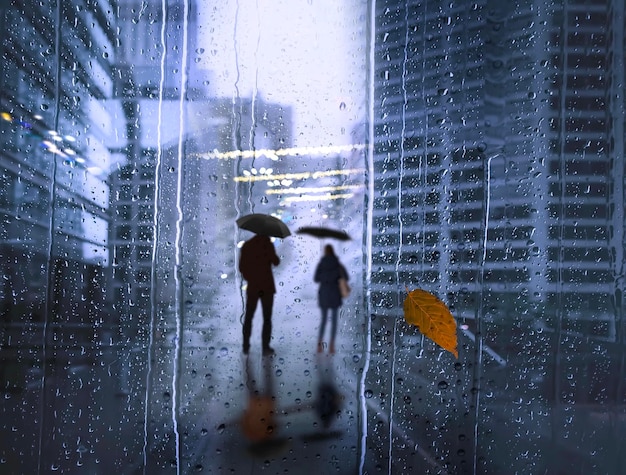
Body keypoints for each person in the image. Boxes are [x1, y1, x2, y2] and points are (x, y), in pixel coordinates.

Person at [239, 234, 280, 356]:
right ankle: (265, 347)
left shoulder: (247, 245)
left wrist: (251, 278)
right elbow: (276, 261)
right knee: (267, 318)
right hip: (267, 286)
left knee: (249, 316)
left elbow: (242, 267)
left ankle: (246, 345)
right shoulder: (267, 244)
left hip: (253, 286)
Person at [314, 244, 348, 354]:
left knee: (323, 320)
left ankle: (320, 345)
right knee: (334, 321)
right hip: (335, 294)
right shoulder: (338, 264)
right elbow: (346, 277)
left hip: (324, 294)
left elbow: (316, 278)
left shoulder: (321, 264)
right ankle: (332, 345)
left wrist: (325, 278)